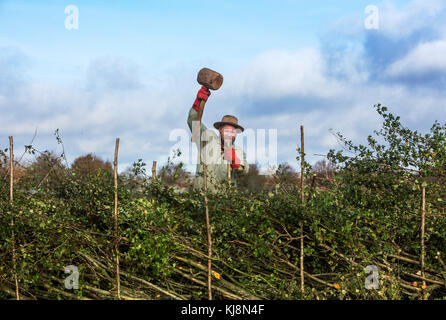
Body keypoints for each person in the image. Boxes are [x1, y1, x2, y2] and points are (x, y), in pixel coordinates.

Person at [187, 85, 249, 193]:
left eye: (232, 131)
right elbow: (193, 122)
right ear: (220, 130)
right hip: (201, 199)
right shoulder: (207, 140)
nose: (229, 134)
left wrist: (234, 160)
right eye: (227, 130)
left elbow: (244, 171)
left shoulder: (238, 152)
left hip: (224, 204)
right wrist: (198, 101)